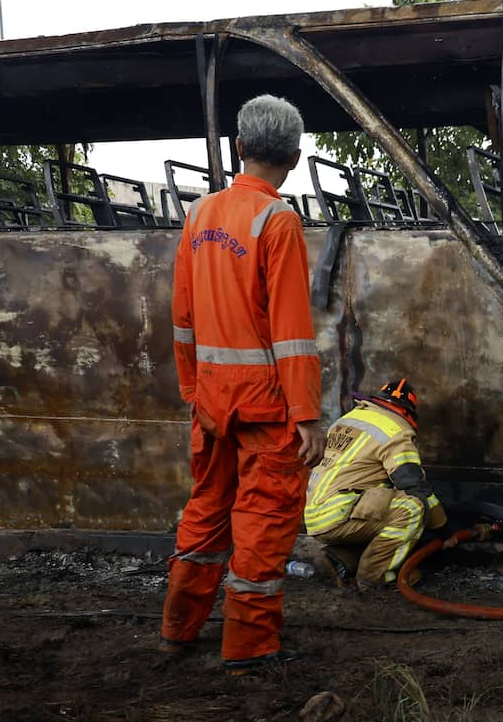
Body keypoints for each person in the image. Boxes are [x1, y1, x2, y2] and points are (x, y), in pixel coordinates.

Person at [161, 94, 326, 674]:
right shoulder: (277, 220)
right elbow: (292, 332)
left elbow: (182, 316)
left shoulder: (199, 215)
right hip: (266, 407)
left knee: (206, 508)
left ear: (238, 148)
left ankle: (179, 626)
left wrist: (194, 391)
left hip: (211, 402)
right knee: (263, 518)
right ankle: (249, 646)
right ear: (297, 158)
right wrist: (306, 413)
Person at [303, 378, 453, 590]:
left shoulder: (348, 419)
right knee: (411, 508)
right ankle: (374, 577)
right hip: (341, 513)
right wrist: (444, 528)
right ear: (407, 412)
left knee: (381, 505)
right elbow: (414, 486)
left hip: (314, 514)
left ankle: (338, 559)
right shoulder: (395, 430)